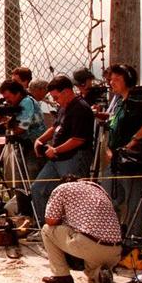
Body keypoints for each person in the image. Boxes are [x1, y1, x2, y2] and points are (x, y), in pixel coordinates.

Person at [31, 75, 95, 223]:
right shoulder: (63, 107)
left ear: (66, 91)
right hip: (57, 158)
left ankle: (76, 226)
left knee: (73, 194)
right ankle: (44, 226)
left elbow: (78, 139)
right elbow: (55, 127)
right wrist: (40, 140)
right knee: (39, 189)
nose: (55, 100)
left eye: (56, 96)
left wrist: (56, 149)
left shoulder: (81, 108)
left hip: (73, 157)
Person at [39, 176, 122, 283]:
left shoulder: (62, 188)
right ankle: (100, 274)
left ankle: (62, 276)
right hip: (115, 251)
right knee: (91, 270)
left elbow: (50, 221)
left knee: (46, 230)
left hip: (89, 245)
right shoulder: (98, 188)